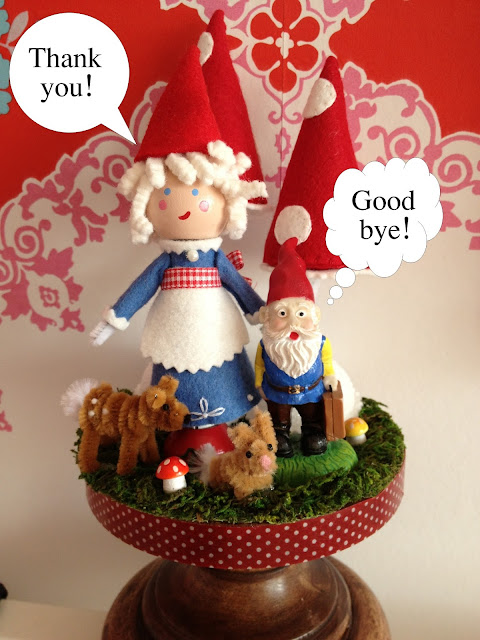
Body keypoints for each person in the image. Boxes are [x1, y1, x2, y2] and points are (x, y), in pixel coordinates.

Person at [90, 46, 267, 433]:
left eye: (203, 198)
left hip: (217, 327)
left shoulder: (216, 260)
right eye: (165, 195)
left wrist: (261, 314)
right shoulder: (165, 263)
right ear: (147, 201)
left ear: (226, 198)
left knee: (224, 361)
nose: (185, 209)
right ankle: (172, 427)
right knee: (172, 373)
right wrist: (115, 319)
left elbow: (239, 288)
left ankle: (229, 418)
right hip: (172, 330)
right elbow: (140, 289)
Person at [255, 238, 338, 457]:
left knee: (312, 415)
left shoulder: (320, 342)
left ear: (315, 316)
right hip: (276, 393)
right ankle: (280, 434)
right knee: (277, 417)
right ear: (267, 316)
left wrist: (330, 377)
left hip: (311, 392)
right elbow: (259, 365)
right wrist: (258, 383)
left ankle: (312, 431)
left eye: (301, 314)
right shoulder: (266, 345)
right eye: (282, 314)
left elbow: (327, 362)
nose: (293, 322)